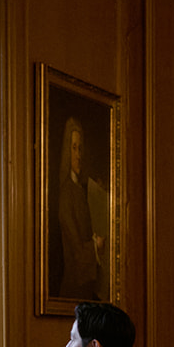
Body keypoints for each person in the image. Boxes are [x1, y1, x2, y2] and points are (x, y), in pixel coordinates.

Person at [54, 117, 103, 301]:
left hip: (85, 286)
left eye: (80, 148)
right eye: (74, 148)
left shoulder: (80, 190)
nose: (78, 155)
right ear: (67, 151)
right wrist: (96, 245)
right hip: (73, 287)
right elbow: (76, 250)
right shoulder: (66, 194)